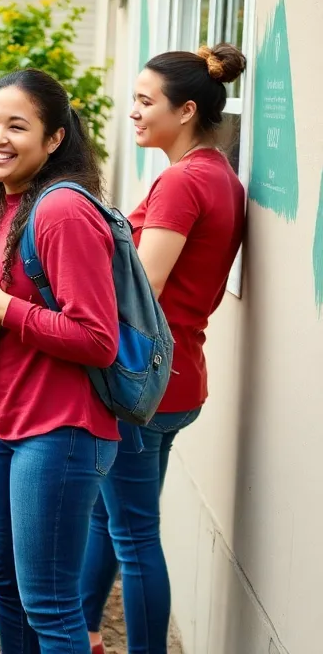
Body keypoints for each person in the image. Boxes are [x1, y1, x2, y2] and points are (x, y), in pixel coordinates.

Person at [80, 44, 247, 654]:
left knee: (134, 534)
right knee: (112, 515)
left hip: (142, 384)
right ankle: (88, 630)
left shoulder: (182, 182)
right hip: (178, 380)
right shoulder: (219, 175)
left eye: (146, 101)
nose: (134, 112)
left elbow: (141, 290)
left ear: (186, 110)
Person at [0, 68, 120, 653]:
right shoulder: (12, 201)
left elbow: (98, 338)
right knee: (8, 583)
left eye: (16, 126)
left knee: (48, 601)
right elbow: (21, 303)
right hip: (2, 418)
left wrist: (3, 307)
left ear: (53, 140)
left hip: (59, 429)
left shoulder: (63, 211)